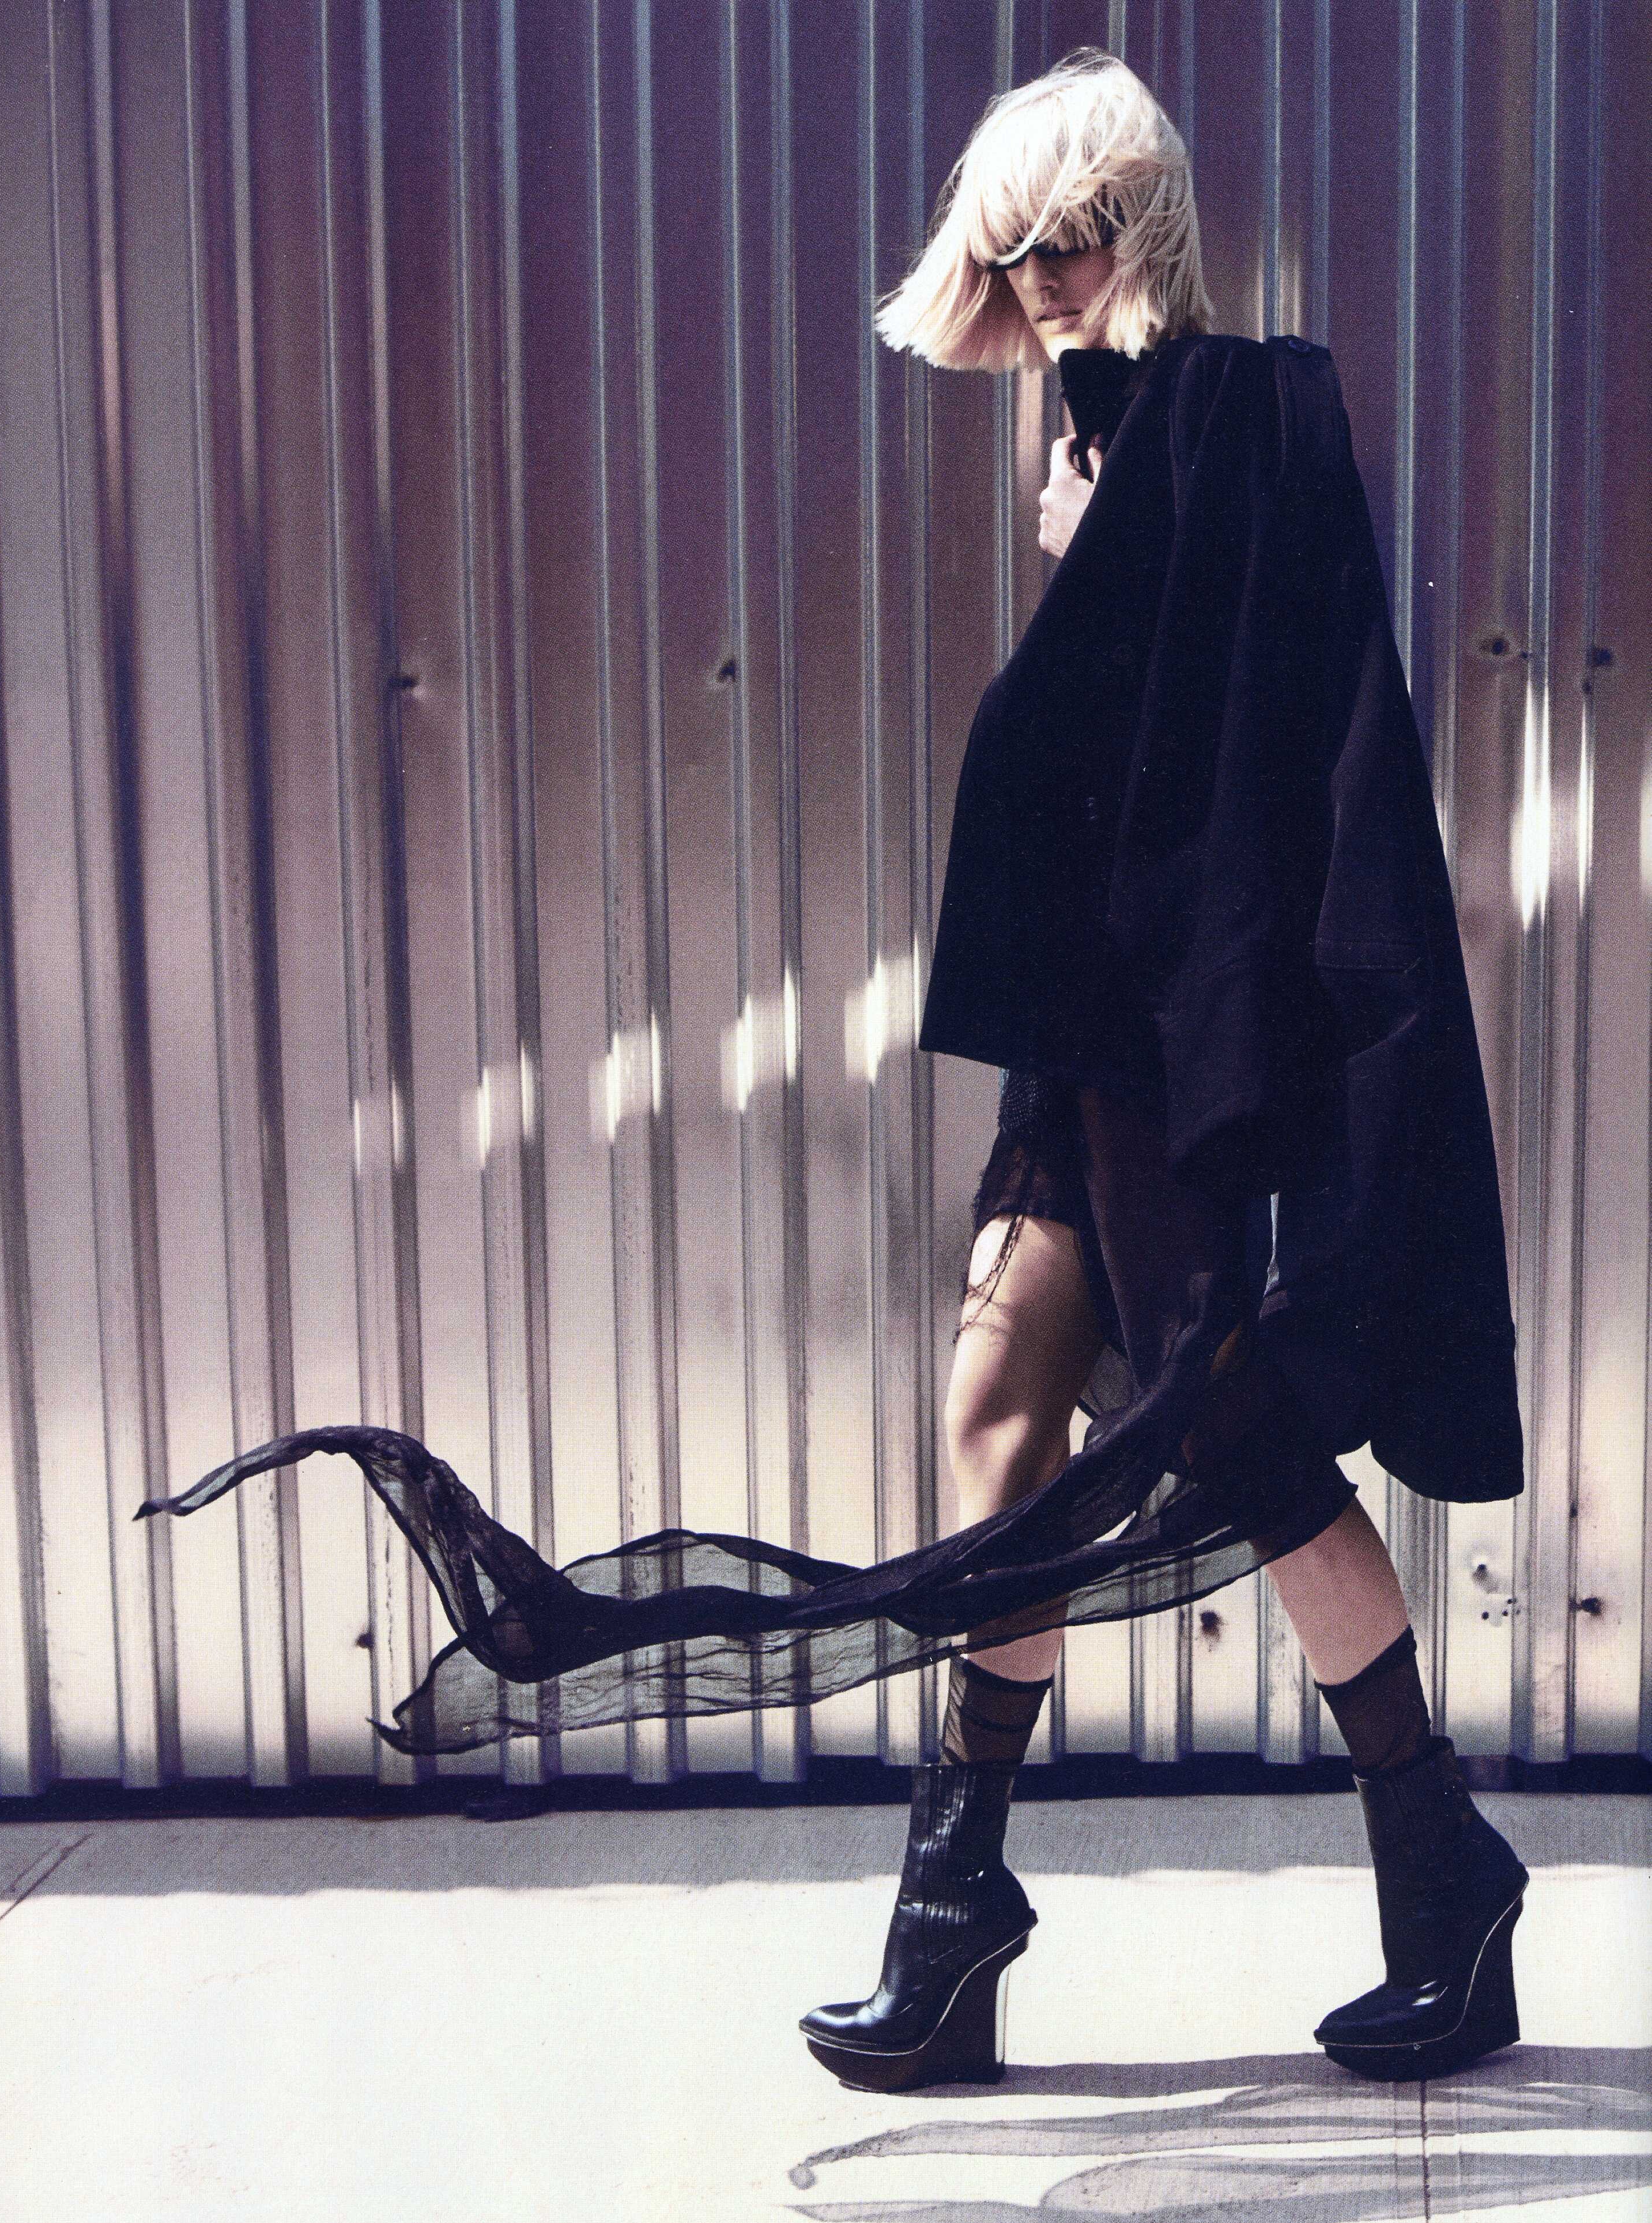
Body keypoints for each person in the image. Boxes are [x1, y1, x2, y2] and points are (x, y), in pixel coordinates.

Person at [138, 48, 1528, 2095]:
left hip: (1178, 1044)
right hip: (1089, 1037)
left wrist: (1108, 548)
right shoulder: (1089, 428)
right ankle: (959, 1921)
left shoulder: (1237, 408)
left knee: (1230, 1444)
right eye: (1010, 241)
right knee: (994, 1418)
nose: (1037, 273)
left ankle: (1436, 1872)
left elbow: (1259, 754)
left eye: (1071, 232)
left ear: (1141, 221)